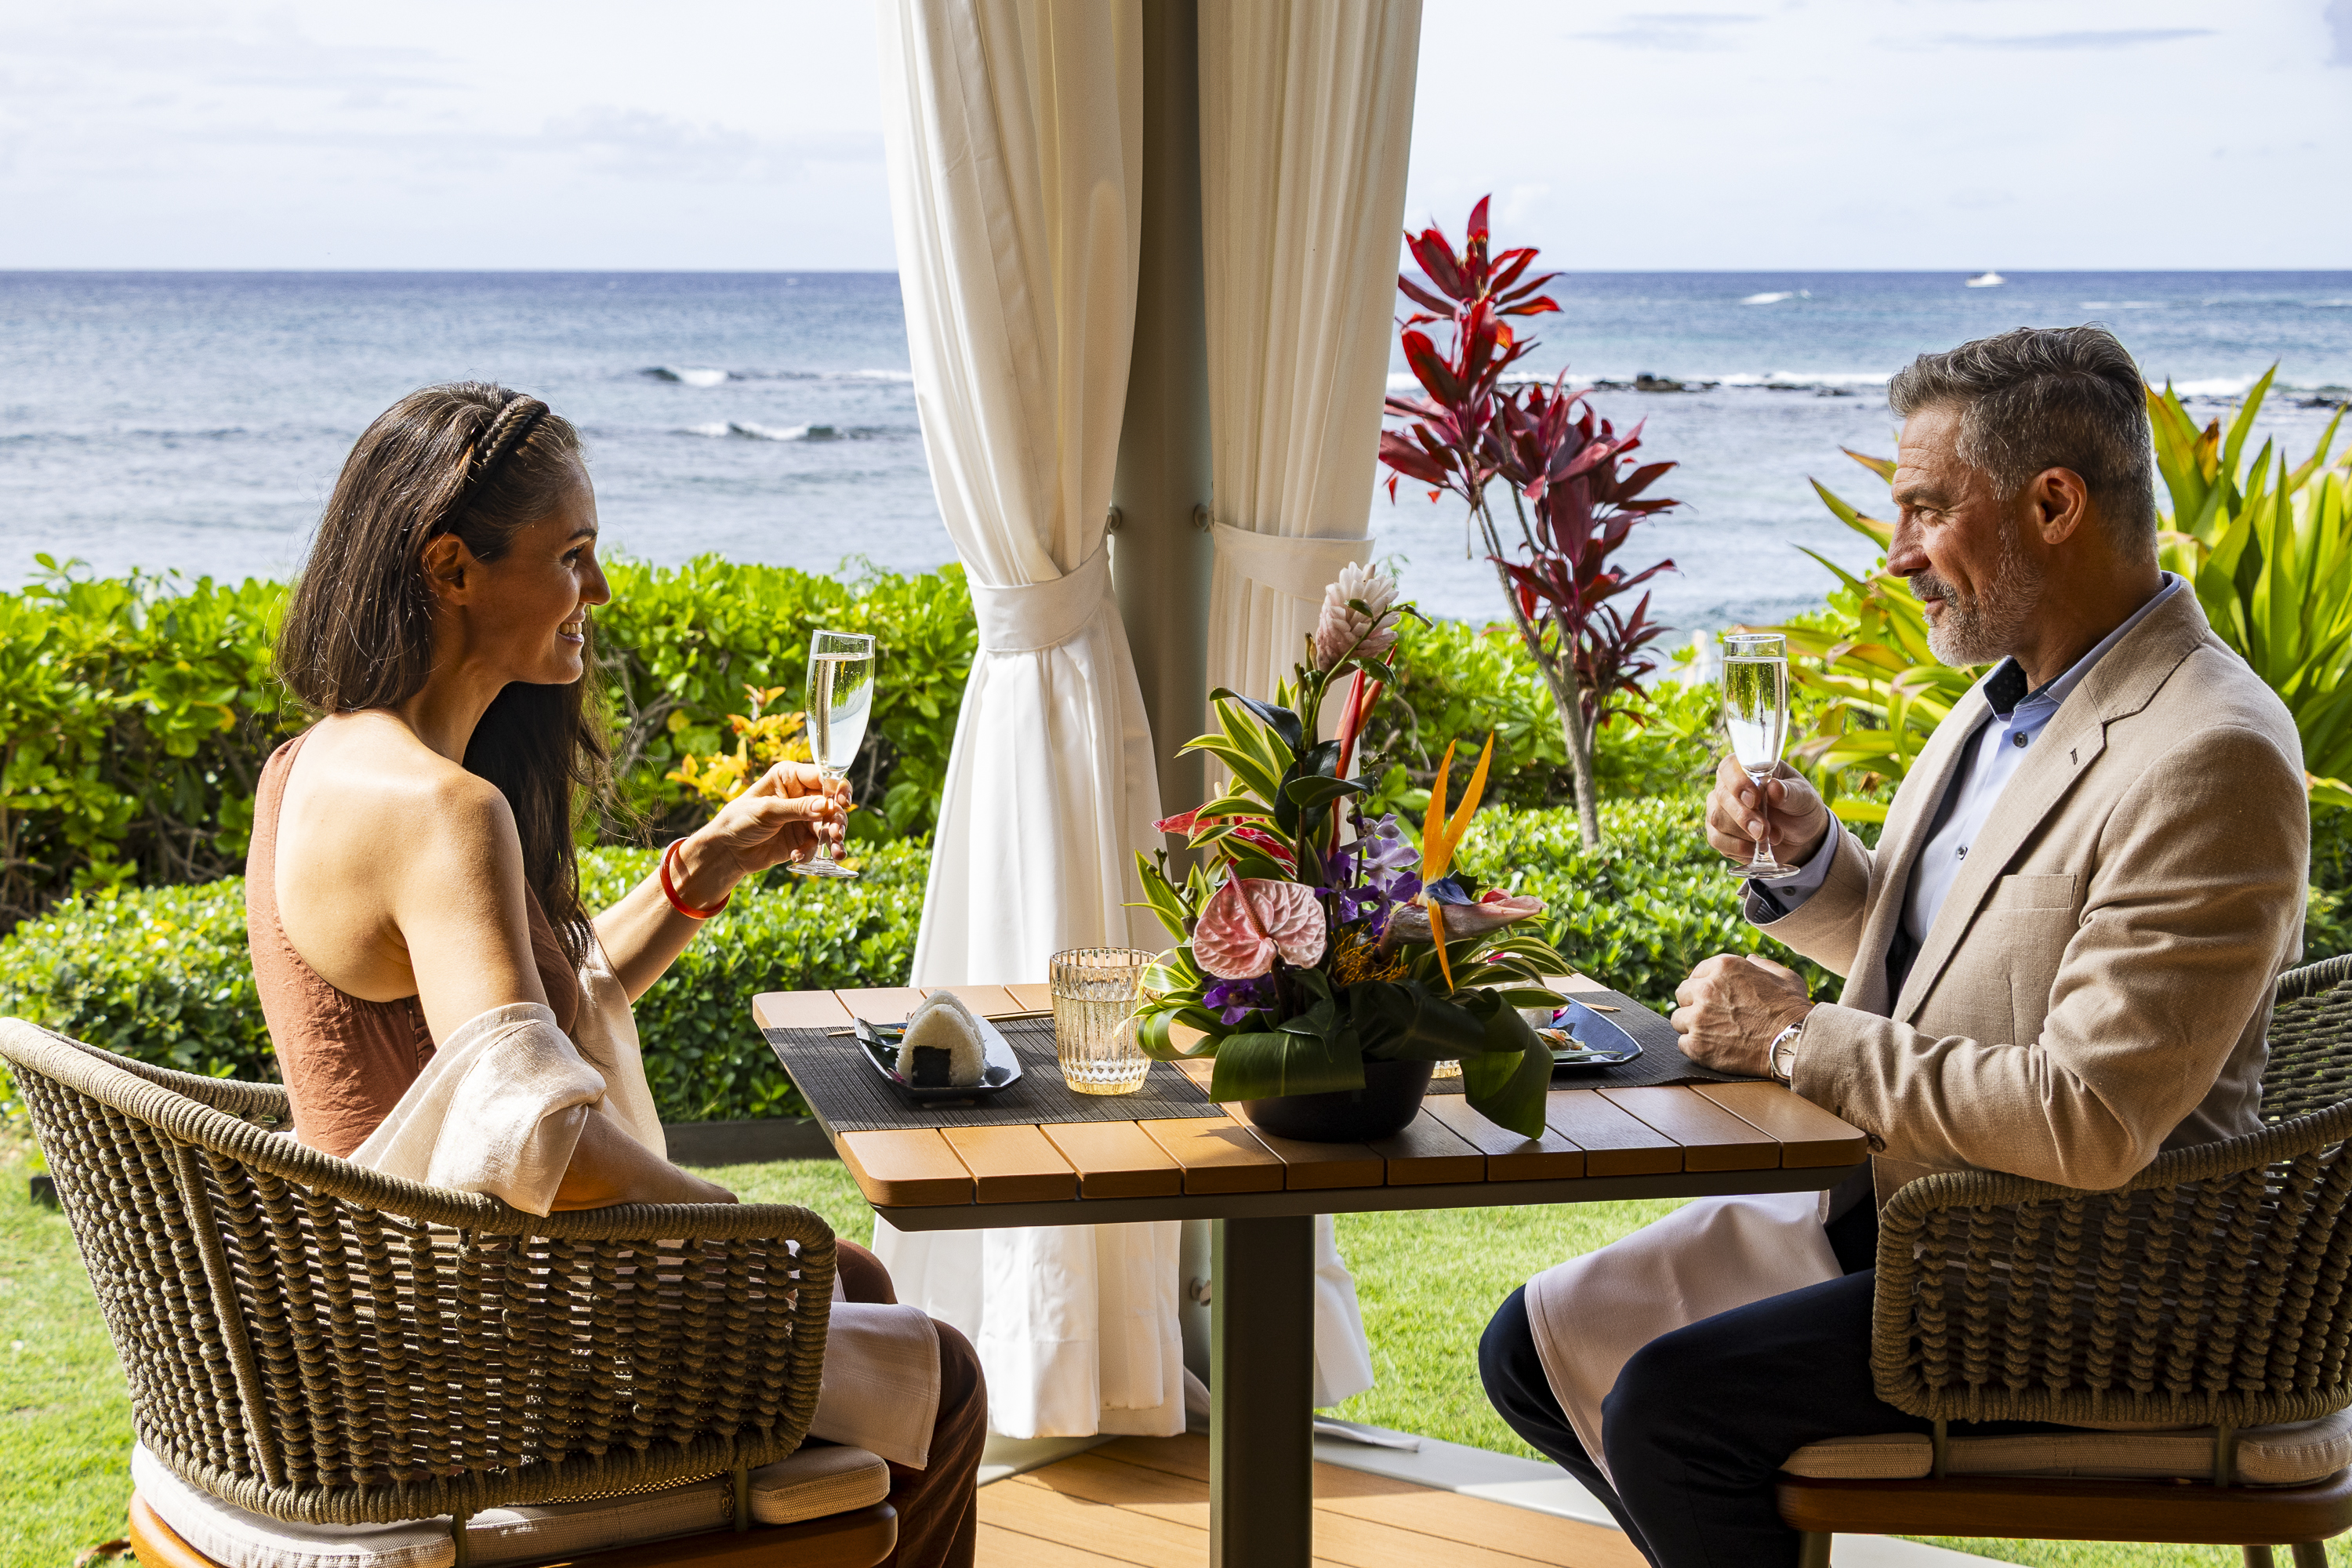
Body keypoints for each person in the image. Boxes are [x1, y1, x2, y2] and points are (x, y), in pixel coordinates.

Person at [1477, 325, 2310, 1566]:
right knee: (1530, 1349)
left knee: (1674, 1411)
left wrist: (1794, 1040)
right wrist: (1811, 861)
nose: (1897, 552)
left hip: (2093, 1279)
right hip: (1929, 1215)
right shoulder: (2012, 702)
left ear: (2054, 505)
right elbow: (1952, 959)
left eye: (1924, 508)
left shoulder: (2208, 751)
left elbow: (2088, 1118)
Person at [250, 382, 984, 1567]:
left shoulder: (312, 766)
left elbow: (521, 1039)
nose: (598, 590)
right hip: (484, 1364)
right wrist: (738, 1225)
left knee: (851, 1277)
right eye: (573, 556)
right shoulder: (444, 812)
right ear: (451, 568)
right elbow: (535, 1134)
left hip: (389, 1317)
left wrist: (705, 865)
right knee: (941, 1372)